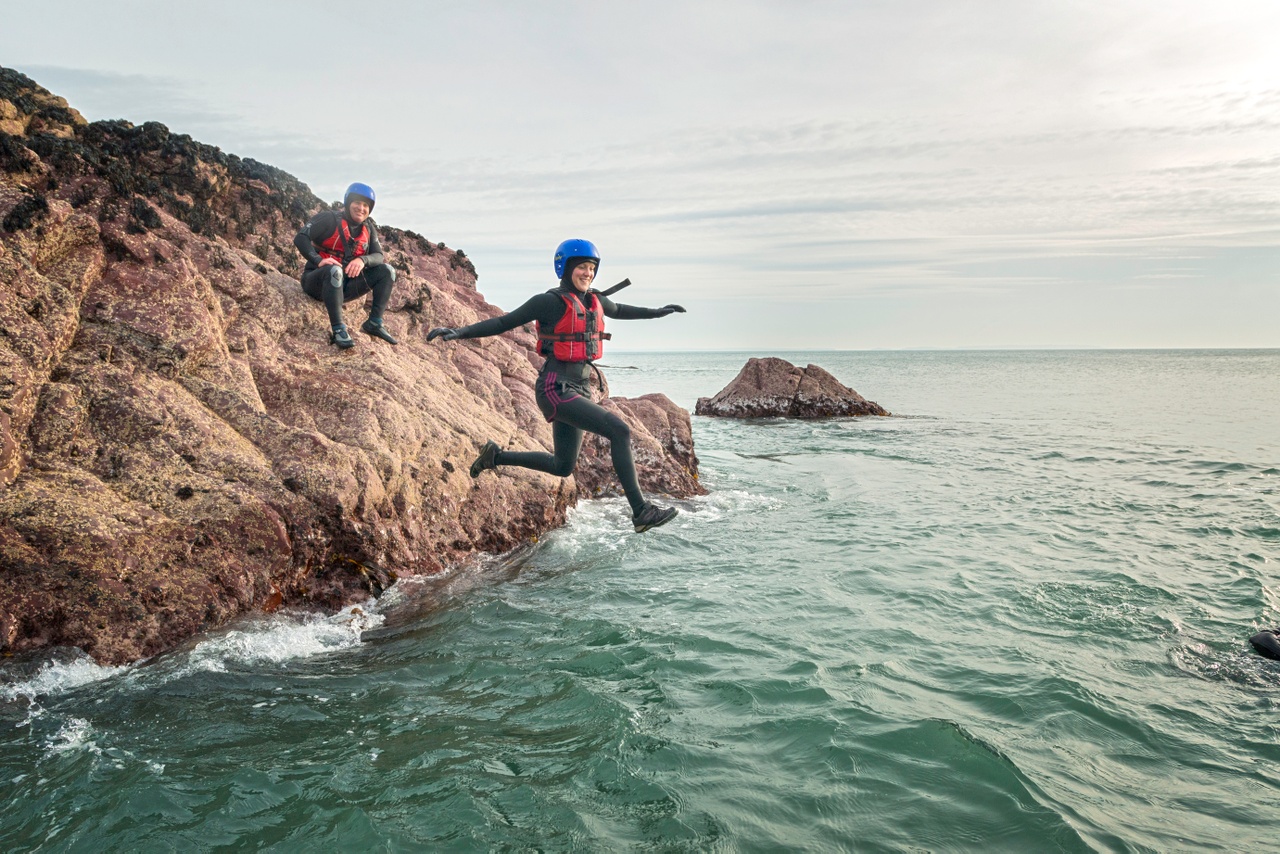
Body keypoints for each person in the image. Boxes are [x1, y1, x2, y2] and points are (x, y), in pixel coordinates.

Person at [428, 239, 686, 533]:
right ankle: (641, 511)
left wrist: (658, 311)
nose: (587, 273)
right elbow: (503, 322)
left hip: (580, 386)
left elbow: (622, 309)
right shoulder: (549, 302)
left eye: (591, 268)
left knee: (563, 466)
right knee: (620, 430)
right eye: (581, 267)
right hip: (555, 388)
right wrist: (459, 331)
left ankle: (495, 457)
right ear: (565, 268)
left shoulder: (595, 301)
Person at [294, 182, 398, 349]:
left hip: (344, 288)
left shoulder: (369, 229)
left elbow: (378, 256)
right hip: (317, 282)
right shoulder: (328, 219)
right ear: (348, 203)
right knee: (335, 271)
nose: (361, 208)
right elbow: (301, 238)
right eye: (357, 202)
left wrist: (362, 260)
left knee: (388, 271)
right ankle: (338, 329)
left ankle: (374, 323)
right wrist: (318, 260)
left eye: (366, 205)